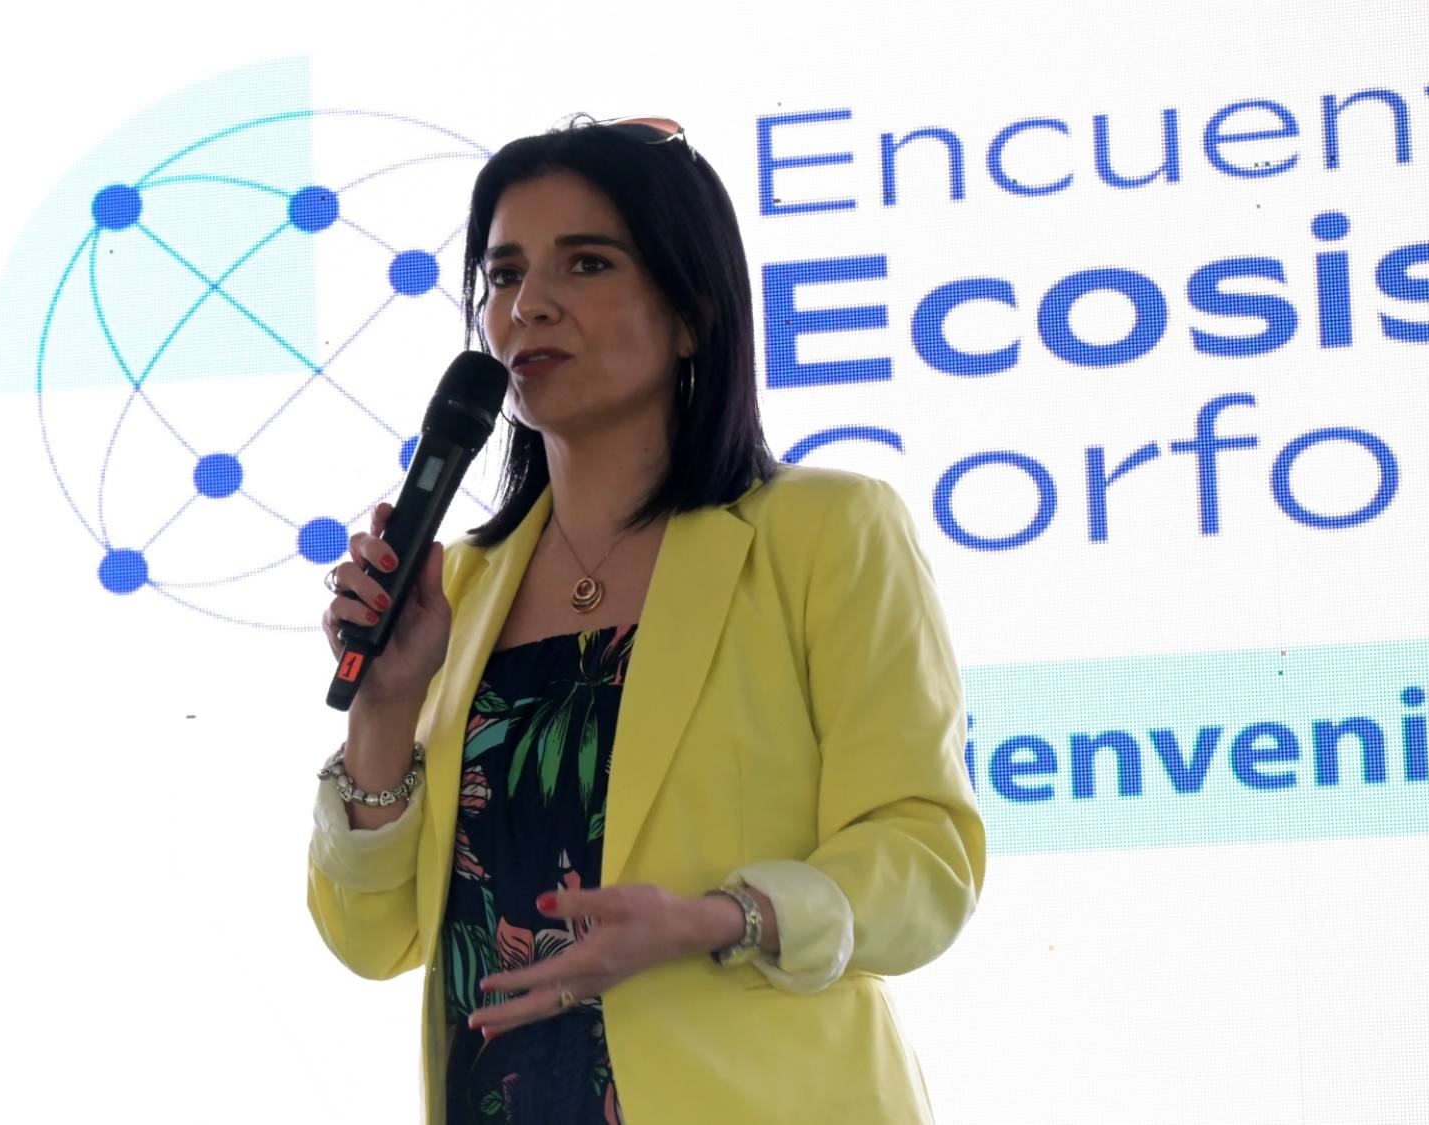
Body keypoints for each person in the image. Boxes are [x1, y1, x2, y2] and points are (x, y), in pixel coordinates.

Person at [307, 114, 985, 1124]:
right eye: (503, 275)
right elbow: (372, 941)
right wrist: (384, 709)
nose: (529, 304)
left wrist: (721, 919)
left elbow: (926, 857)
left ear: (691, 312)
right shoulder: (461, 589)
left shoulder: (824, 532)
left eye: (586, 264)